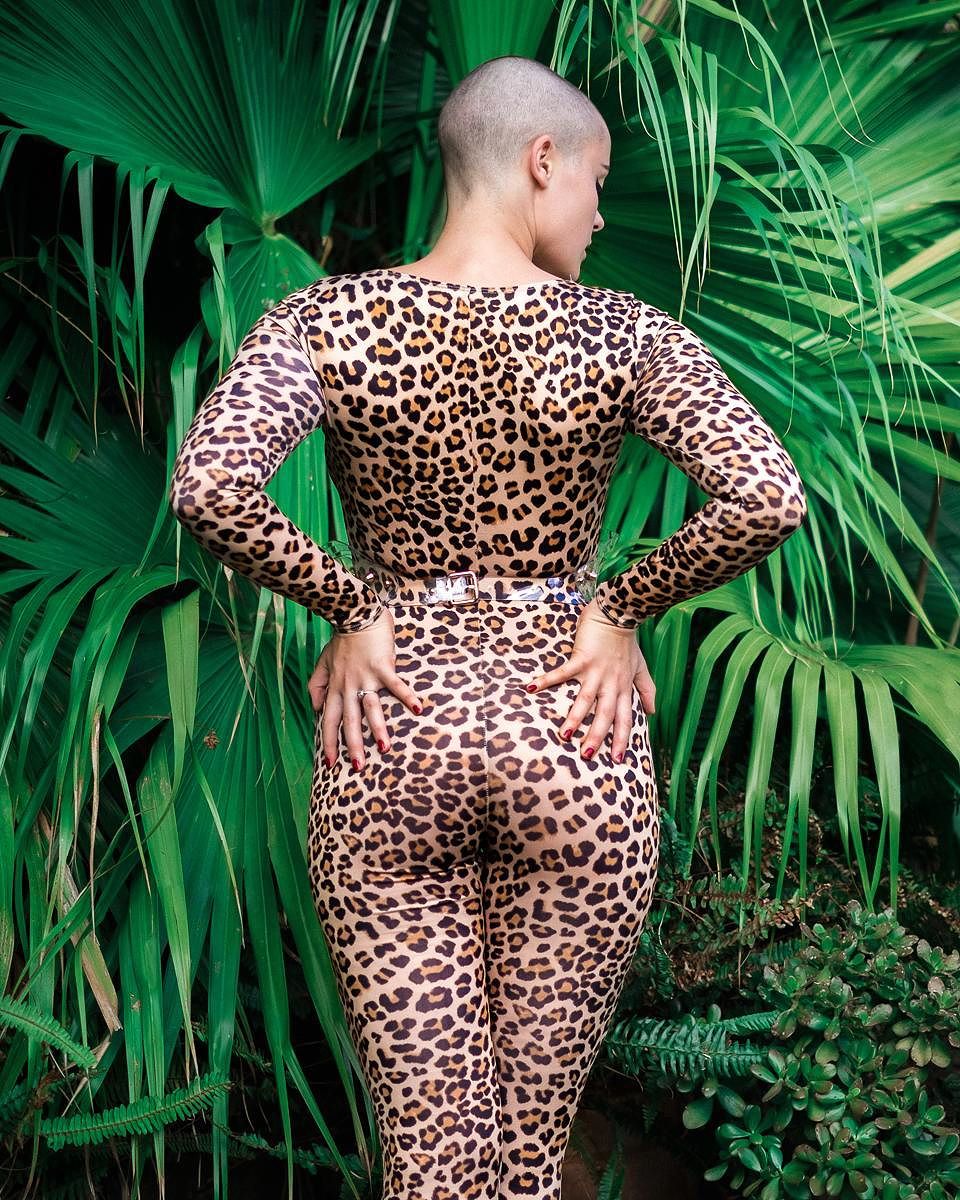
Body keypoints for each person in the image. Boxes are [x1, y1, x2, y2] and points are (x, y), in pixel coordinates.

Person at [169, 54, 806, 1200]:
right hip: (574, 740)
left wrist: (355, 603)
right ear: (541, 159)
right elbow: (767, 494)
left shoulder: (325, 318)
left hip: (393, 738)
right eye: (597, 183)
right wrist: (619, 607)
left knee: (430, 1164)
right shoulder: (626, 334)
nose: (601, 216)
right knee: (524, 1161)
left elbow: (210, 484)